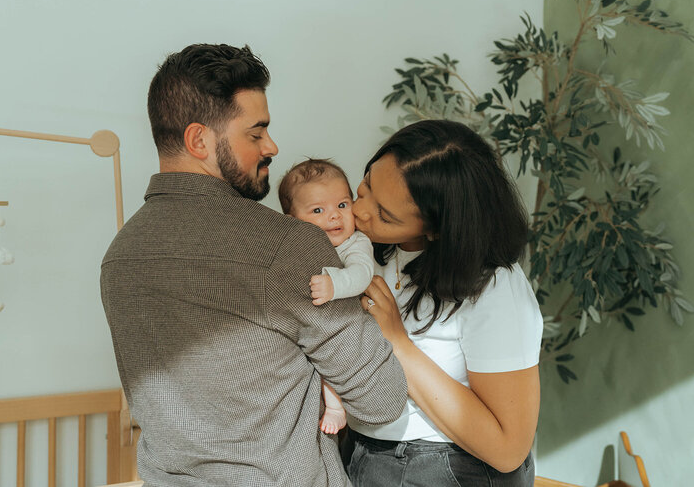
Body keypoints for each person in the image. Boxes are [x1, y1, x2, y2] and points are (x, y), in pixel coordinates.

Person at [100, 43, 406, 486]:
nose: (272, 145)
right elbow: (381, 399)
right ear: (198, 140)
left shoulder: (120, 257)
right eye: (256, 132)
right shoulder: (288, 245)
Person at [345, 119, 543, 486]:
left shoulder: (494, 288)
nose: (360, 210)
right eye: (368, 183)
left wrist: (397, 342)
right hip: (358, 450)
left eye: (385, 215)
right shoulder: (365, 249)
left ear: (437, 228)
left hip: (441, 466)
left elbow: (508, 449)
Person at [277, 158, 374, 434]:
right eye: (318, 210)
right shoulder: (294, 248)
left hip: (351, 325)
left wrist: (335, 284)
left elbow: (362, 272)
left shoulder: (355, 243)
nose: (334, 216)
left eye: (343, 205)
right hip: (313, 326)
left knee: (334, 360)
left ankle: (335, 407)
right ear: (292, 222)